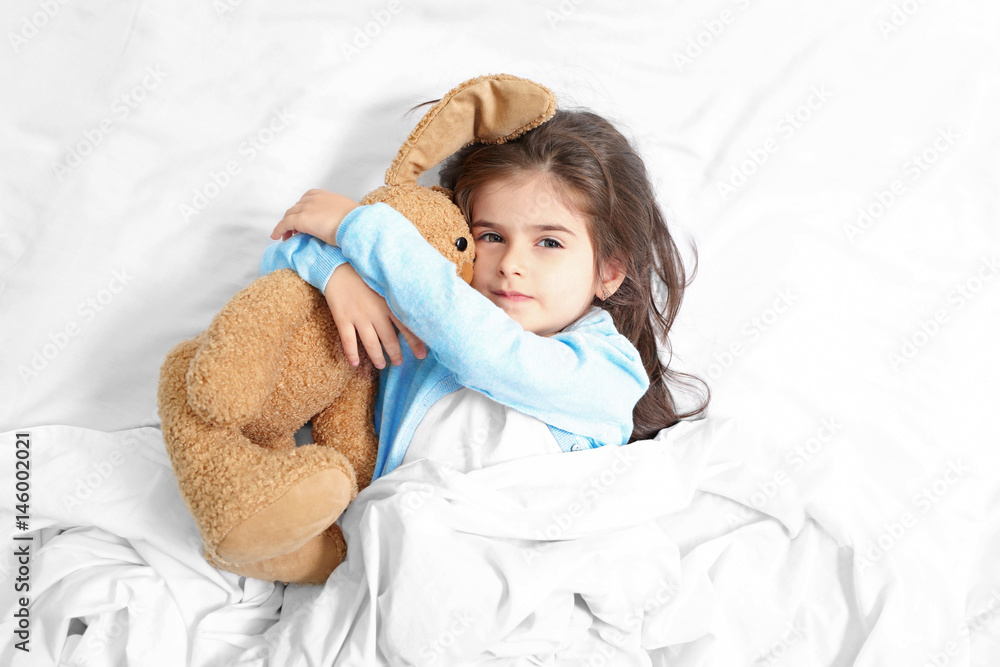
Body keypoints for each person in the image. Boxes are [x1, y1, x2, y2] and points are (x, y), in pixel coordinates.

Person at [260, 109, 709, 481]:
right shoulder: (419, 323)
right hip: (405, 543)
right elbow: (280, 265)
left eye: (549, 242)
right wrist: (339, 276)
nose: (511, 263)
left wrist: (362, 228)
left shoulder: (609, 372)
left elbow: (485, 350)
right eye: (491, 236)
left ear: (609, 272)